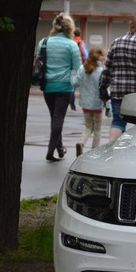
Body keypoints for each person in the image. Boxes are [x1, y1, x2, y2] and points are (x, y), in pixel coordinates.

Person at [99, 16, 136, 142]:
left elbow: (107, 69)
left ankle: (113, 147)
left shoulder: (116, 43)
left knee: (117, 122)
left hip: (118, 92)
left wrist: (103, 88)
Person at [36, 13, 81, 162]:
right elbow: (77, 67)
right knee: (58, 118)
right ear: (70, 28)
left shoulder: (44, 42)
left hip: (47, 86)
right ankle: (50, 151)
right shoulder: (72, 45)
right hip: (64, 87)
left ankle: (60, 149)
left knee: (54, 118)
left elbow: (38, 61)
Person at [71, 46, 106, 157]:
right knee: (97, 129)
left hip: (85, 105)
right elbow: (104, 89)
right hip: (97, 106)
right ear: (98, 57)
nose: (104, 57)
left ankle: (81, 142)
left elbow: (75, 83)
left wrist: (72, 73)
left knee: (88, 127)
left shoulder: (82, 69)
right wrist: (108, 104)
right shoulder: (101, 71)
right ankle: (93, 152)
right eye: (103, 55)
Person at [70, 28, 88, 111]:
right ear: (80, 34)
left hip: (70, 67)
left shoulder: (70, 42)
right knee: (83, 85)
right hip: (79, 66)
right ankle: (83, 103)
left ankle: (72, 103)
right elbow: (86, 56)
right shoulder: (81, 42)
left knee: (71, 86)